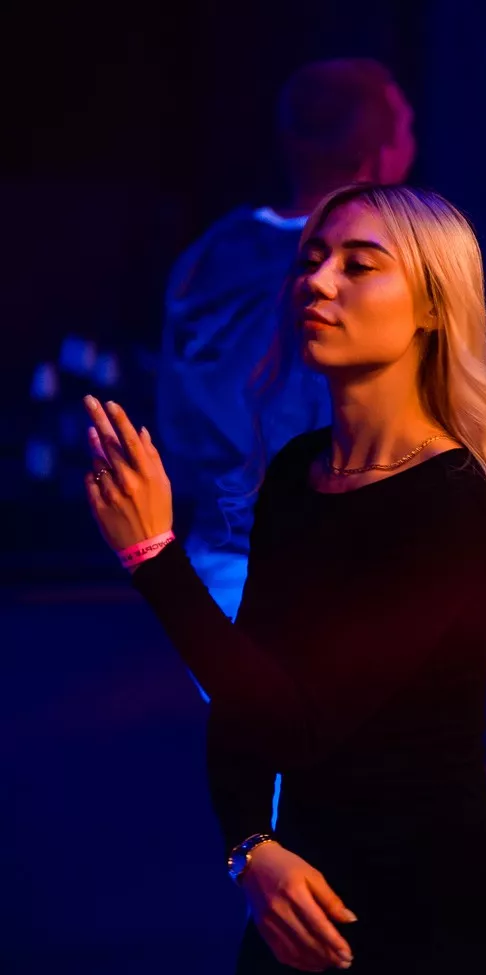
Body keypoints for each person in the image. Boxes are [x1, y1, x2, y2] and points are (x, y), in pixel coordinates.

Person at [83, 182, 486, 975]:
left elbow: (296, 725)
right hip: (298, 899)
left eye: (358, 264)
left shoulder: (450, 508)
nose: (318, 281)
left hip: (432, 925)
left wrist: (154, 557)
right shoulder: (301, 472)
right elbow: (243, 703)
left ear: (431, 307)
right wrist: (250, 847)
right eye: (311, 260)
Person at [159, 59, 415, 622]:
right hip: (334, 570)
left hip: (218, 562)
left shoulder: (206, 258)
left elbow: (175, 423)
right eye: (407, 130)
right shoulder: (386, 268)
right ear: (376, 156)